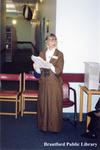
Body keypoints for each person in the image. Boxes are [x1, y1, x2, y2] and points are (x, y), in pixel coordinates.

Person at [33, 33, 64, 132]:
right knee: (43, 105)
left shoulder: (59, 54)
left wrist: (50, 66)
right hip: (43, 83)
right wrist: (37, 68)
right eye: (50, 39)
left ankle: (54, 128)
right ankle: (43, 127)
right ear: (46, 41)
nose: (53, 41)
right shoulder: (42, 53)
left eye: (54, 39)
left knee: (54, 106)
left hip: (54, 84)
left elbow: (59, 71)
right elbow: (37, 74)